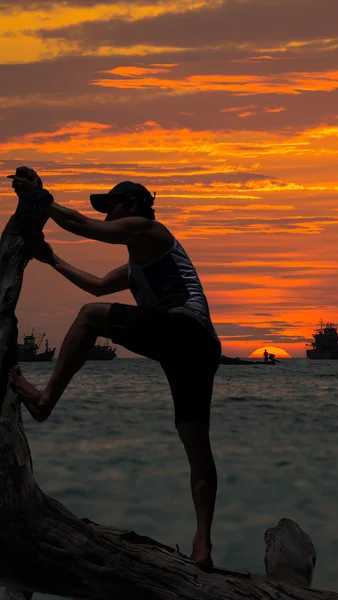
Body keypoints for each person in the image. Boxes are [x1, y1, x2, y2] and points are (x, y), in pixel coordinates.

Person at [8, 168, 221, 571]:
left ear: (135, 206)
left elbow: (81, 225)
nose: (107, 216)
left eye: (112, 207)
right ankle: (203, 546)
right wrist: (51, 257)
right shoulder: (140, 260)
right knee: (197, 450)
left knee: (89, 318)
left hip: (183, 331)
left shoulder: (149, 230)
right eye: (104, 210)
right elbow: (98, 286)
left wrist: (41, 197)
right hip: (197, 348)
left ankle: (44, 399)